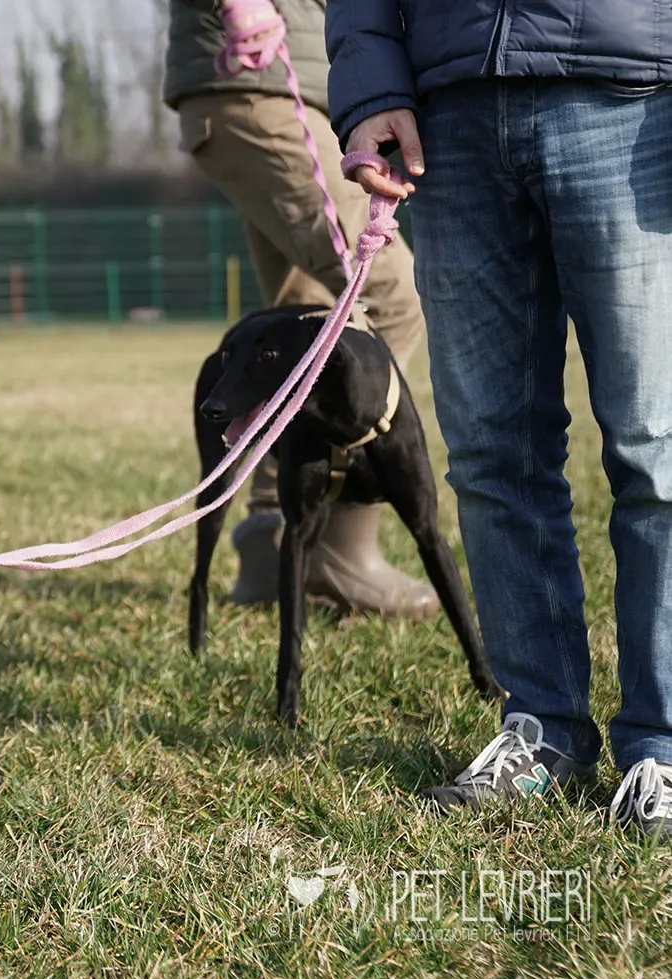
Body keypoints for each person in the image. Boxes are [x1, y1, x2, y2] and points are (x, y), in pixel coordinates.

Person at [330, 2, 672, 837]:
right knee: (490, 455)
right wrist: (371, 80)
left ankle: (662, 747)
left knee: (654, 449)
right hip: (450, 114)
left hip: (630, 95)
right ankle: (542, 730)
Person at [164, 0, 436, 618]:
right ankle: (338, 550)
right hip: (257, 77)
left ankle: (273, 543)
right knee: (390, 294)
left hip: (272, 85)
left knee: (306, 319)